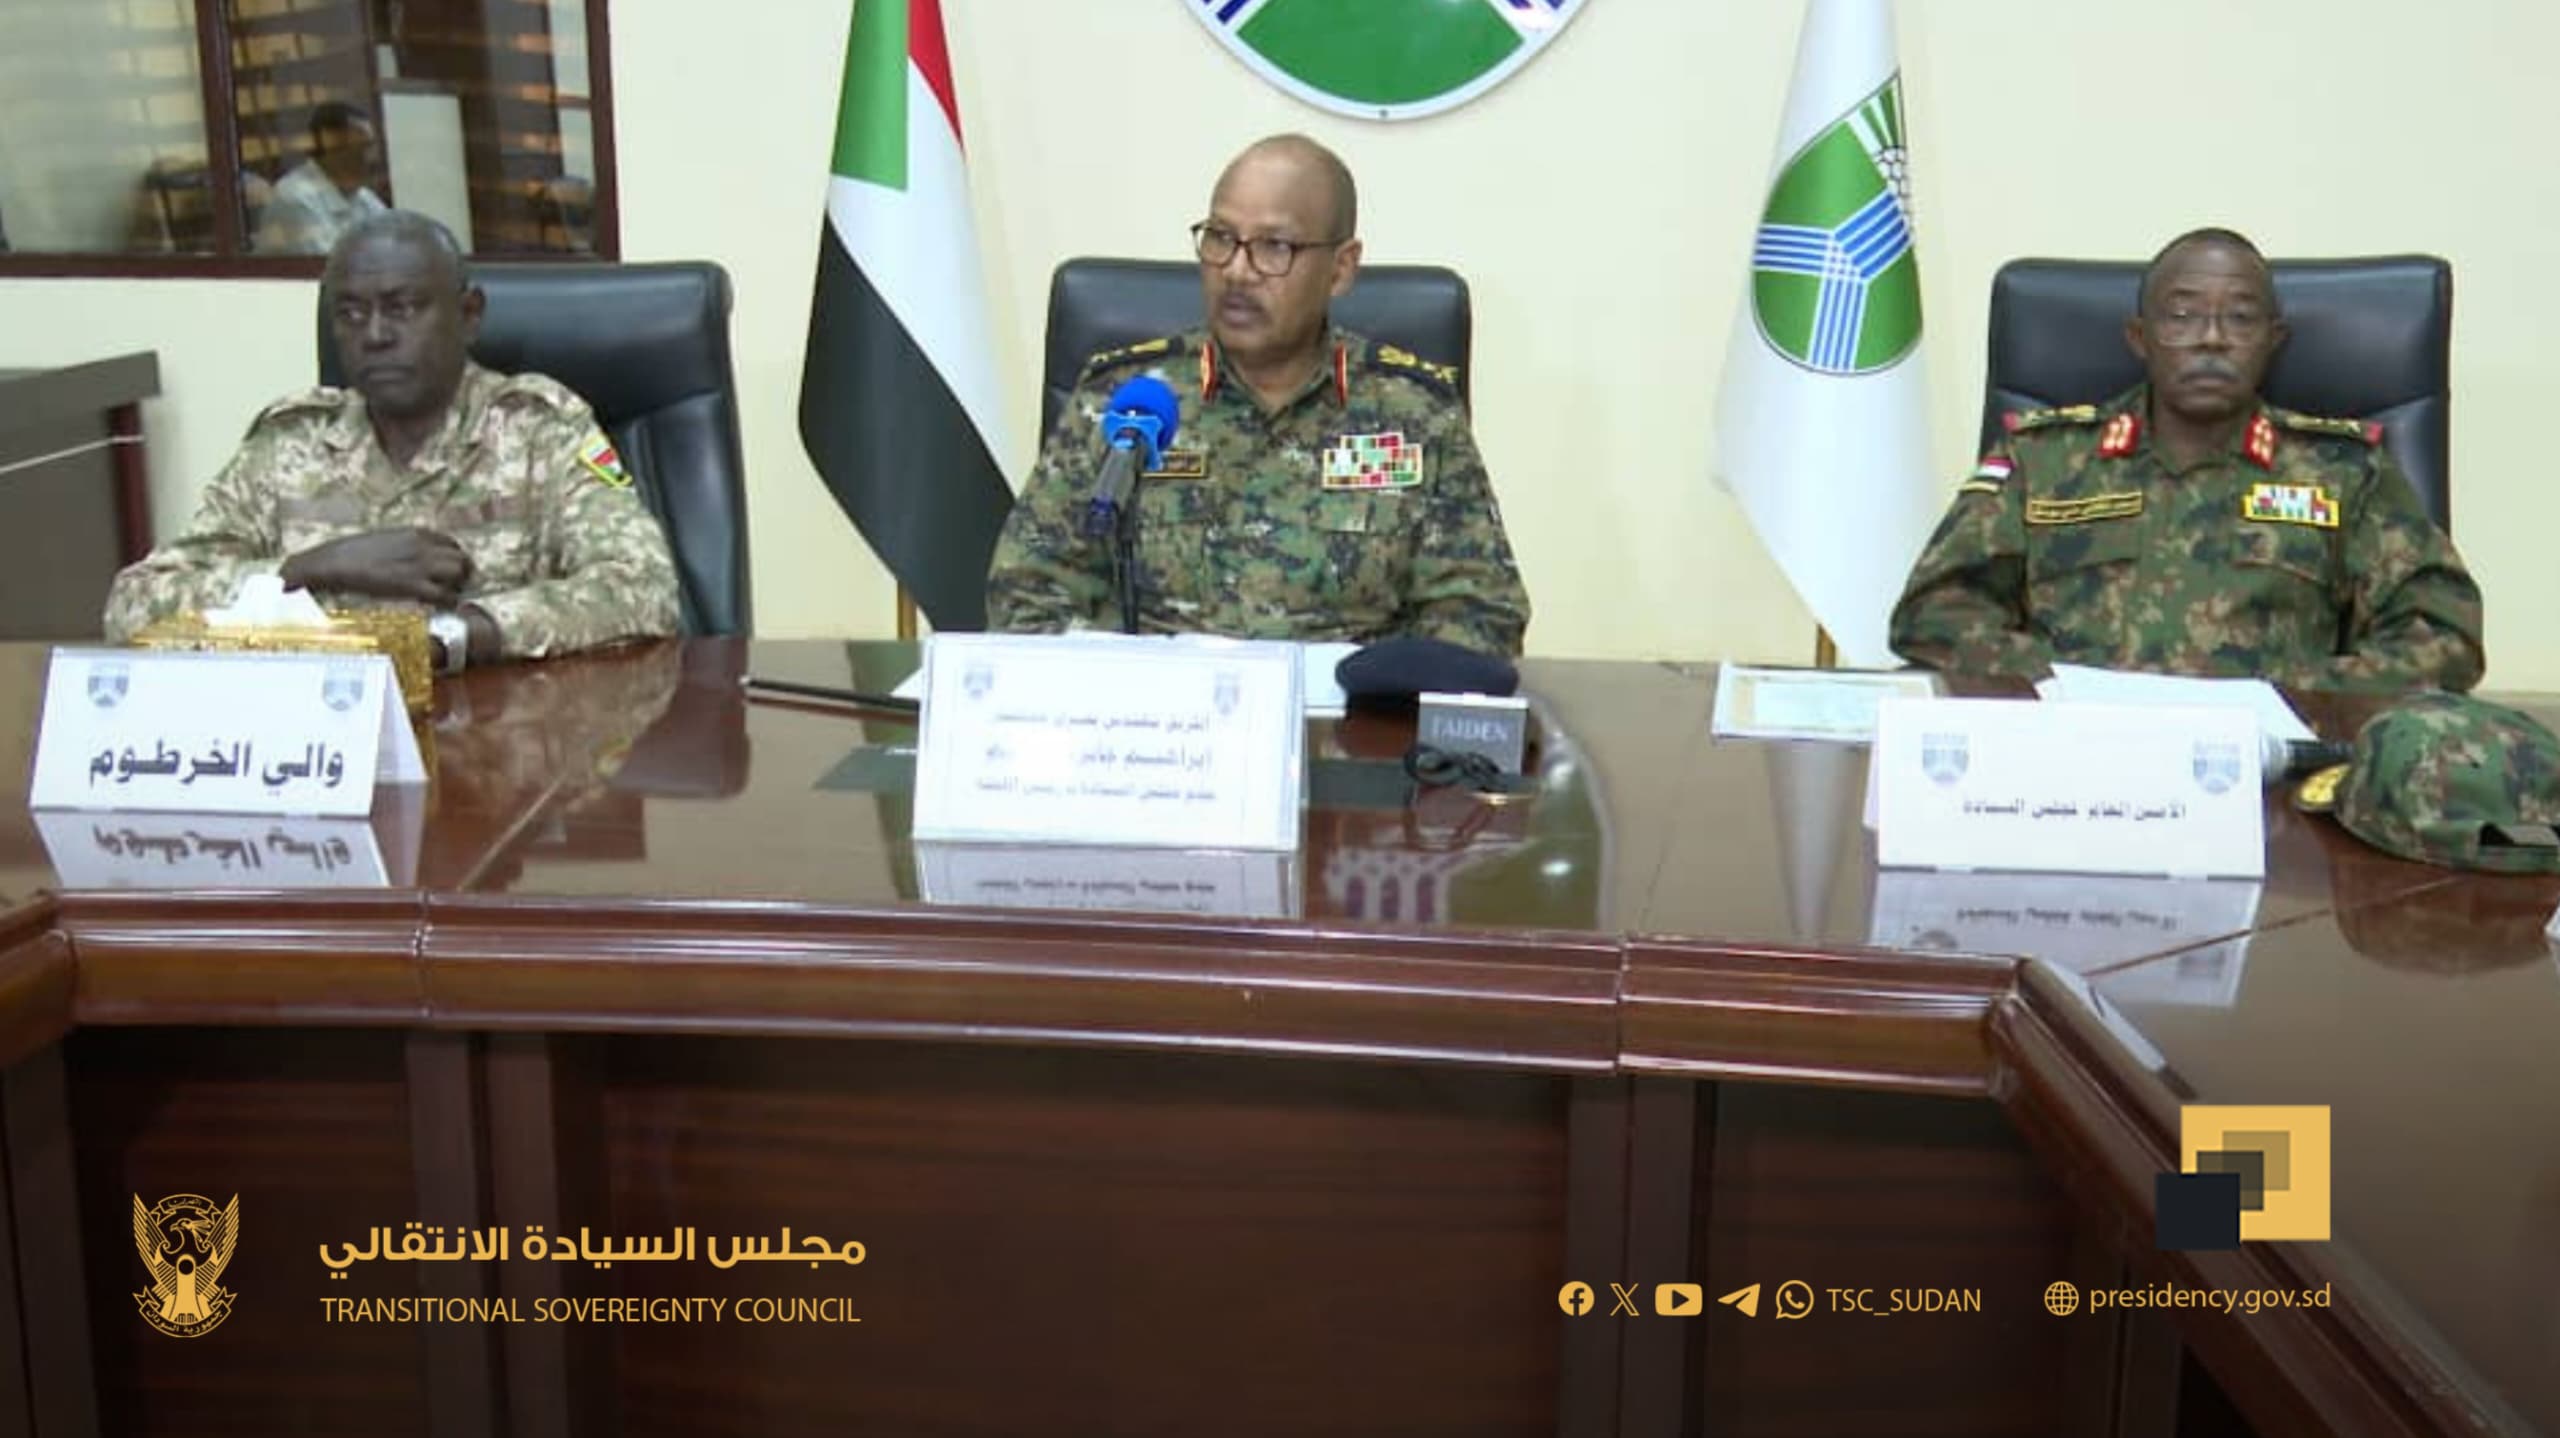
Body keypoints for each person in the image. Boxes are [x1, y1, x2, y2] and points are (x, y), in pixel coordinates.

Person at [984, 134, 1530, 657]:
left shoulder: (1416, 414)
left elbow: (1481, 618)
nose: (1237, 271)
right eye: (1220, 238)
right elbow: (1025, 595)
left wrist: (1372, 695)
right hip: (1161, 715)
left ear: (1341, 269)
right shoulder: (1125, 401)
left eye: (1274, 247)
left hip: (1347, 716)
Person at [1888, 228, 2483, 692]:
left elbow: (2443, 637)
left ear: (2273, 340)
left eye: (2241, 317)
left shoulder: (2344, 472)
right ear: (2140, 338)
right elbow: (1935, 613)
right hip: (2076, 755)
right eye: (2181, 316)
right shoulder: (2043, 460)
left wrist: (2287, 696)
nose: (2211, 337)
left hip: (2276, 769)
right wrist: (2065, 686)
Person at [104, 211, 681, 670]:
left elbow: (644, 588)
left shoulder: (539, 431)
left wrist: (450, 637)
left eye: (402, 308)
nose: (375, 335)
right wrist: (312, 567)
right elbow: (133, 606)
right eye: (351, 314)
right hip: (324, 748)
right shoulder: (289, 444)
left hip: (500, 744)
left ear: (469, 315)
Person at [255, 101, 389, 255]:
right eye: (363, 147)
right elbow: (328, 266)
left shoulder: (364, 198)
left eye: (371, 147)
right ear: (333, 150)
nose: (373, 158)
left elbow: (395, 249)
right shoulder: (295, 198)